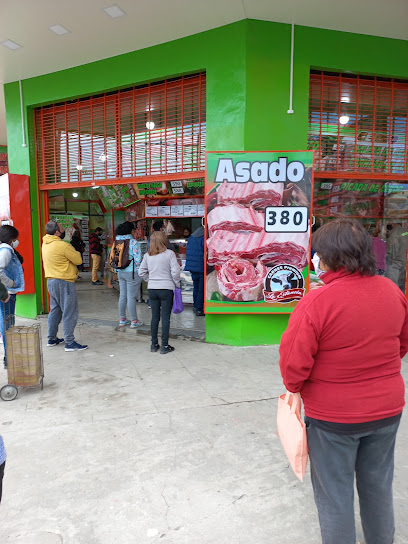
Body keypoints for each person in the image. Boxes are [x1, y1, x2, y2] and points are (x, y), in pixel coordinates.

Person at [279, 219, 407, 544]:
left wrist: (300, 387)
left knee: (335, 494)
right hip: (387, 410)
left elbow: (293, 369)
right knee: (378, 484)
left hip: (333, 419)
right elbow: (402, 342)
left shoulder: (316, 302)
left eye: (318, 253)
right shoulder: (392, 291)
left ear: (328, 257)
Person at [42, 220, 87, 352]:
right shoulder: (63, 246)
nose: (64, 232)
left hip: (51, 281)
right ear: (57, 232)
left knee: (55, 311)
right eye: (62, 229)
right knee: (69, 311)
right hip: (64, 282)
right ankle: (69, 342)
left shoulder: (45, 243)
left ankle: (51, 338)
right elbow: (78, 260)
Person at [139, 231, 180, 354]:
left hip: (152, 289)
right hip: (166, 289)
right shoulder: (170, 254)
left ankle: (154, 344)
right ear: (164, 241)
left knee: (155, 317)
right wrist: (176, 283)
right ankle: (164, 346)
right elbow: (175, 272)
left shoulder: (147, 255)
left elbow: (141, 272)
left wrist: (150, 280)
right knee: (165, 318)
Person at [0, 225, 25, 367]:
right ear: (11, 239)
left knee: (5, 322)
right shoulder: (6, 251)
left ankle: (8, 356)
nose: (17, 241)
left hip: (5, 291)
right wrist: (11, 282)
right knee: (8, 324)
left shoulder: (4, 250)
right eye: (16, 239)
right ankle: (9, 357)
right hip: (7, 293)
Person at [114, 221, 144, 328]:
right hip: (132, 273)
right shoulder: (133, 242)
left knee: (123, 295)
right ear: (131, 230)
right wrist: (140, 271)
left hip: (120, 272)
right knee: (131, 297)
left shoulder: (116, 242)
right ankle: (134, 321)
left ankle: (122, 319)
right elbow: (138, 259)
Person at [185, 224, 205, 316]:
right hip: (201, 266)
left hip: (192, 267)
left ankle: (195, 306)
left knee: (196, 287)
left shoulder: (192, 237)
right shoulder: (203, 237)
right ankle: (199, 309)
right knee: (201, 289)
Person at [386, 221, 407, 289]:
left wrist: (393, 259)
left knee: (393, 284)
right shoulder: (404, 231)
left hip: (396, 262)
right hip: (404, 260)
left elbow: (393, 248)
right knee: (402, 284)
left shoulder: (394, 233)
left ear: (393, 223)